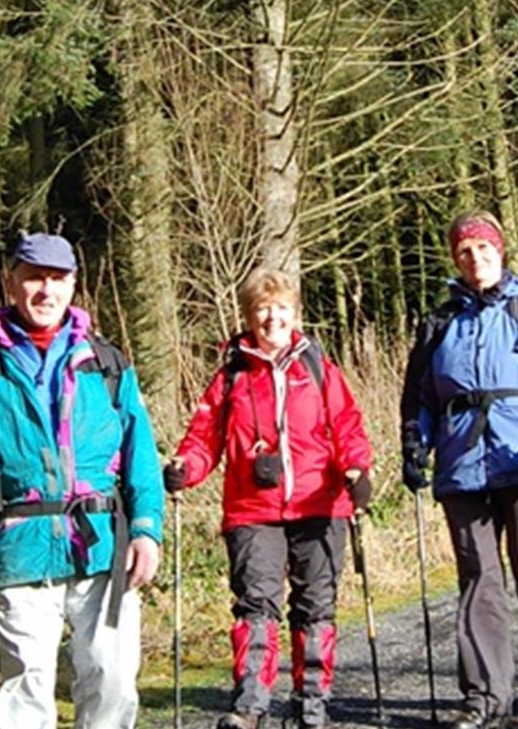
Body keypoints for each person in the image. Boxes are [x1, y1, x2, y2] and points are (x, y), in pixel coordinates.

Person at [0, 232, 166, 729]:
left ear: (73, 285)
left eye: (57, 279)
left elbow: (140, 454)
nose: (46, 290)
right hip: (21, 546)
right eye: (34, 277)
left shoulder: (106, 363)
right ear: (12, 281)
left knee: (114, 679)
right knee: (25, 689)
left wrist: (146, 529)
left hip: (104, 544)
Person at [165, 268, 376, 729]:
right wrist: (185, 468)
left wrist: (358, 470)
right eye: (262, 308)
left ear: (294, 313)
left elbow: (348, 427)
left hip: (320, 506)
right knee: (255, 605)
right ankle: (250, 705)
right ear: (248, 316)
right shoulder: (230, 377)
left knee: (315, 607)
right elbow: (204, 439)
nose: (272, 317)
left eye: (280, 307)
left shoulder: (319, 368)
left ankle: (312, 704)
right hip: (252, 511)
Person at [399, 211, 518, 729]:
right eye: (465, 252)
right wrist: (415, 446)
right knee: (479, 580)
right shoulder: (438, 325)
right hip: (461, 466)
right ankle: (484, 697)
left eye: (483, 249)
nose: (475, 259)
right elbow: (420, 399)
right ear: (455, 260)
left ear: (499, 253)